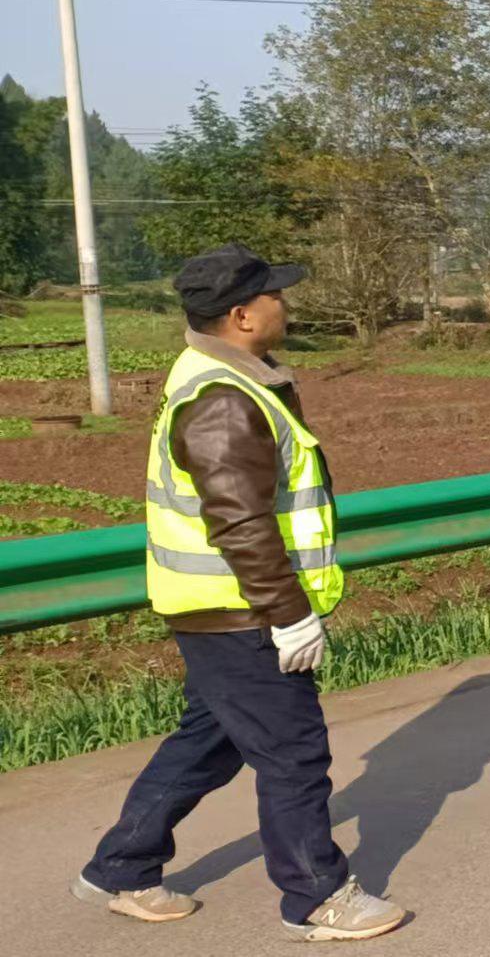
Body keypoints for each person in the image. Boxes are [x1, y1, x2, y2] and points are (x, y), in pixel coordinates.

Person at [75, 244, 407, 942]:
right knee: (293, 752)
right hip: (241, 612)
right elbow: (241, 520)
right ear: (242, 314)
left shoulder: (220, 375)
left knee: (212, 740)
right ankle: (317, 896)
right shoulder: (225, 400)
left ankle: (122, 865)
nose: (285, 304)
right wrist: (289, 616)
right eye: (274, 295)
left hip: (216, 608)